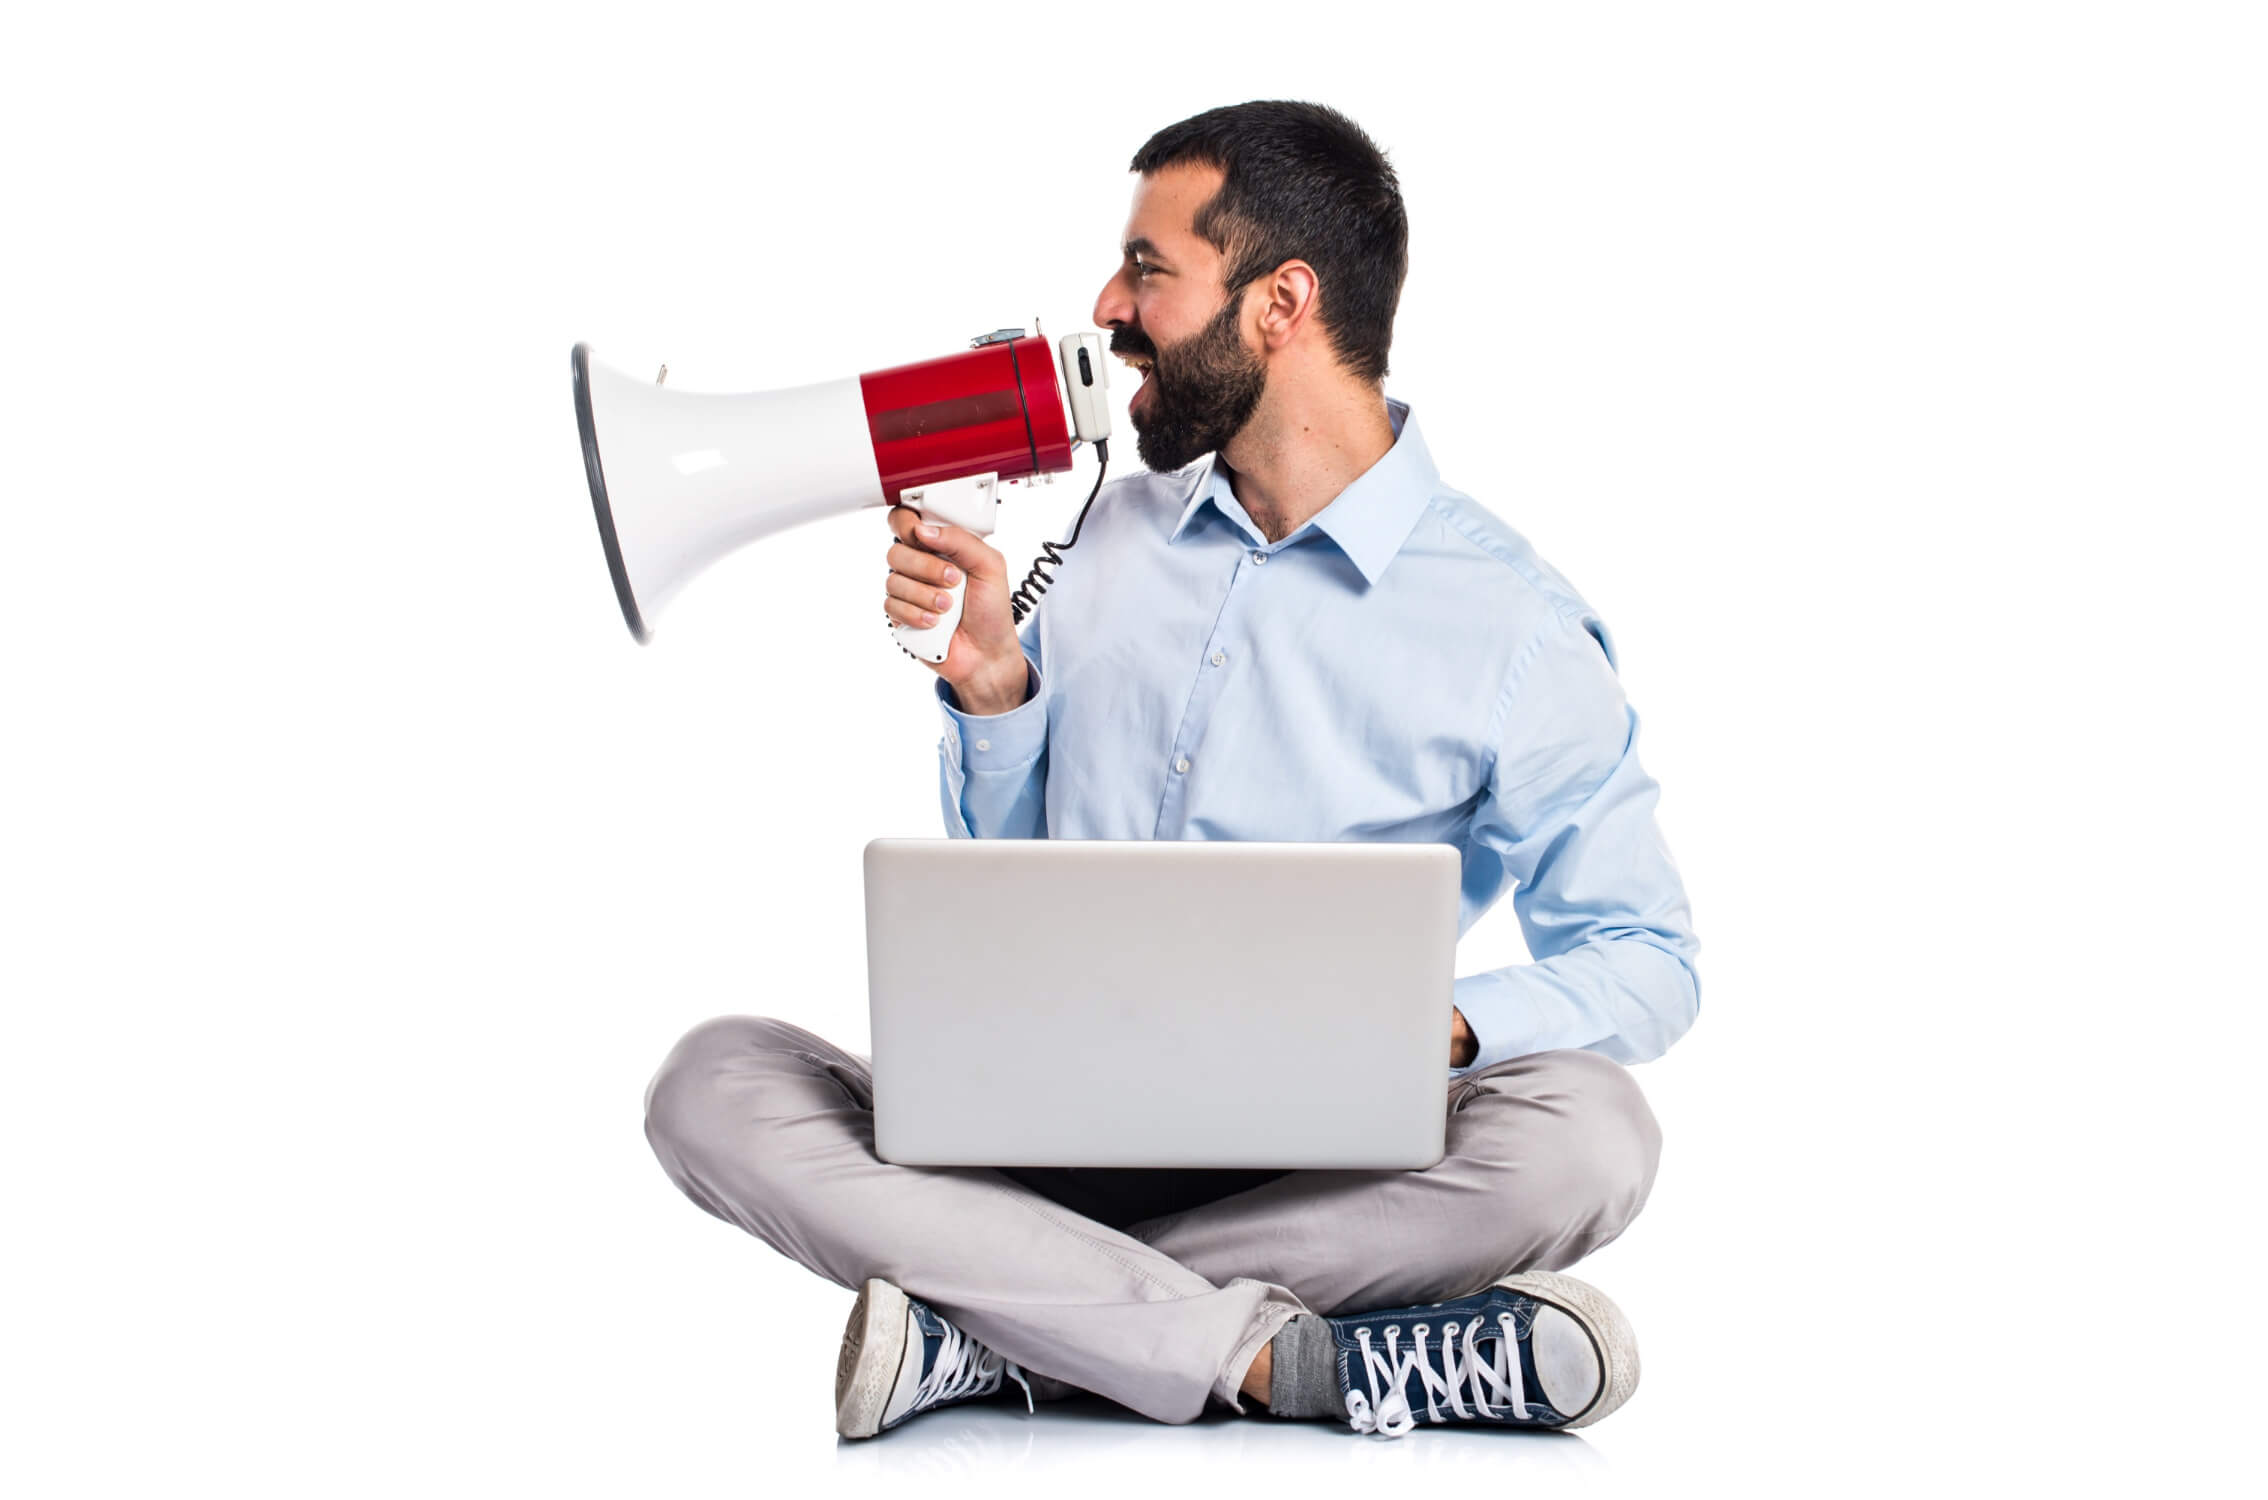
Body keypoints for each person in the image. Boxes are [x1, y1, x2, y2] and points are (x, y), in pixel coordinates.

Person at [643, 101, 1701, 1442]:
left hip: (1312, 1164)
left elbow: (1647, 960)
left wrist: (1427, 1028)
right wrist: (993, 689)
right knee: (712, 1082)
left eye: (1149, 268)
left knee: (1590, 1134)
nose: (1106, 303)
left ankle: (1005, 1332)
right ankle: (1283, 1361)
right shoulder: (1103, 535)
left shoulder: (1513, 626)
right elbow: (1014, 903)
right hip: (1034, 1131)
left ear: (1282, 302)